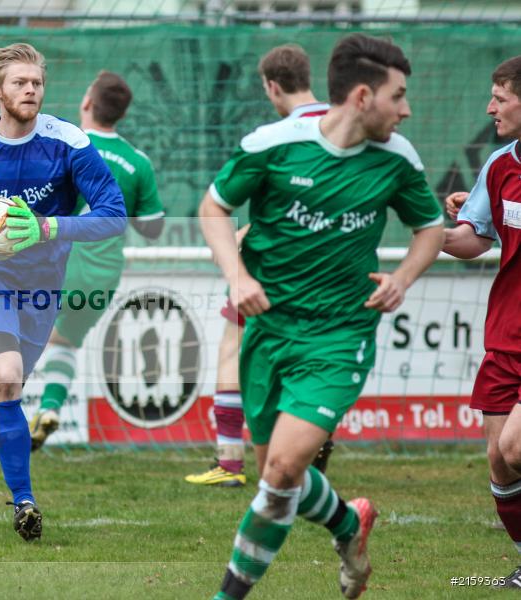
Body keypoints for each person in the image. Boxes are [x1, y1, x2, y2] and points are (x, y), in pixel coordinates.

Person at [199, 34, 444, 599]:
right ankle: (347, 523)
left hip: (339, 334)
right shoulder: (273, 145)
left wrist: (403, 278)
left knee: (282, 471)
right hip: (269, 330)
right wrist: (238, 276)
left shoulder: (397, 158)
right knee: (277, 476)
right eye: (398, 96)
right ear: (362, 96)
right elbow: (214, 206)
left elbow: (429, 227)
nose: (406, 109)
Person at [0, 43, 126, 542]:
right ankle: (24, 503)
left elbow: (113, 215)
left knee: (1, 392)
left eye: (36, 82)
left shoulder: (68, 141)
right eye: (19, 83)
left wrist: (47, 227)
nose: (31, 90)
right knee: (7, 377)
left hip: (41, 284)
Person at [186, 44, 331, 488]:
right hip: (330, 271)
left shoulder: (273, 137)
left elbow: (236, 206)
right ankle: (313, 439)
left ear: (271, 86)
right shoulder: (345, 128)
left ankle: (230, 461)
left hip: (270, 268)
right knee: (312, 360)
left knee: (233, 351)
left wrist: (241, 240)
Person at [27, 70, 166, 451]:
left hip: (58, 264)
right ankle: (50, 408)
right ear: (121, 114)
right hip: (103, 275)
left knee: (2, 337)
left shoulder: (63, 146)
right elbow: (153, 228)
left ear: (87, 102)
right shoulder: (137, 162)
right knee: (65, 342)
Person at [441, 55, 521, 589]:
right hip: (507, 333)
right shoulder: (499, 165)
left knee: (516, 446)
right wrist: (431, 234)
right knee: (499, 460)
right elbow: (475, 239)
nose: (490, 107)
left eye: (501, 97)